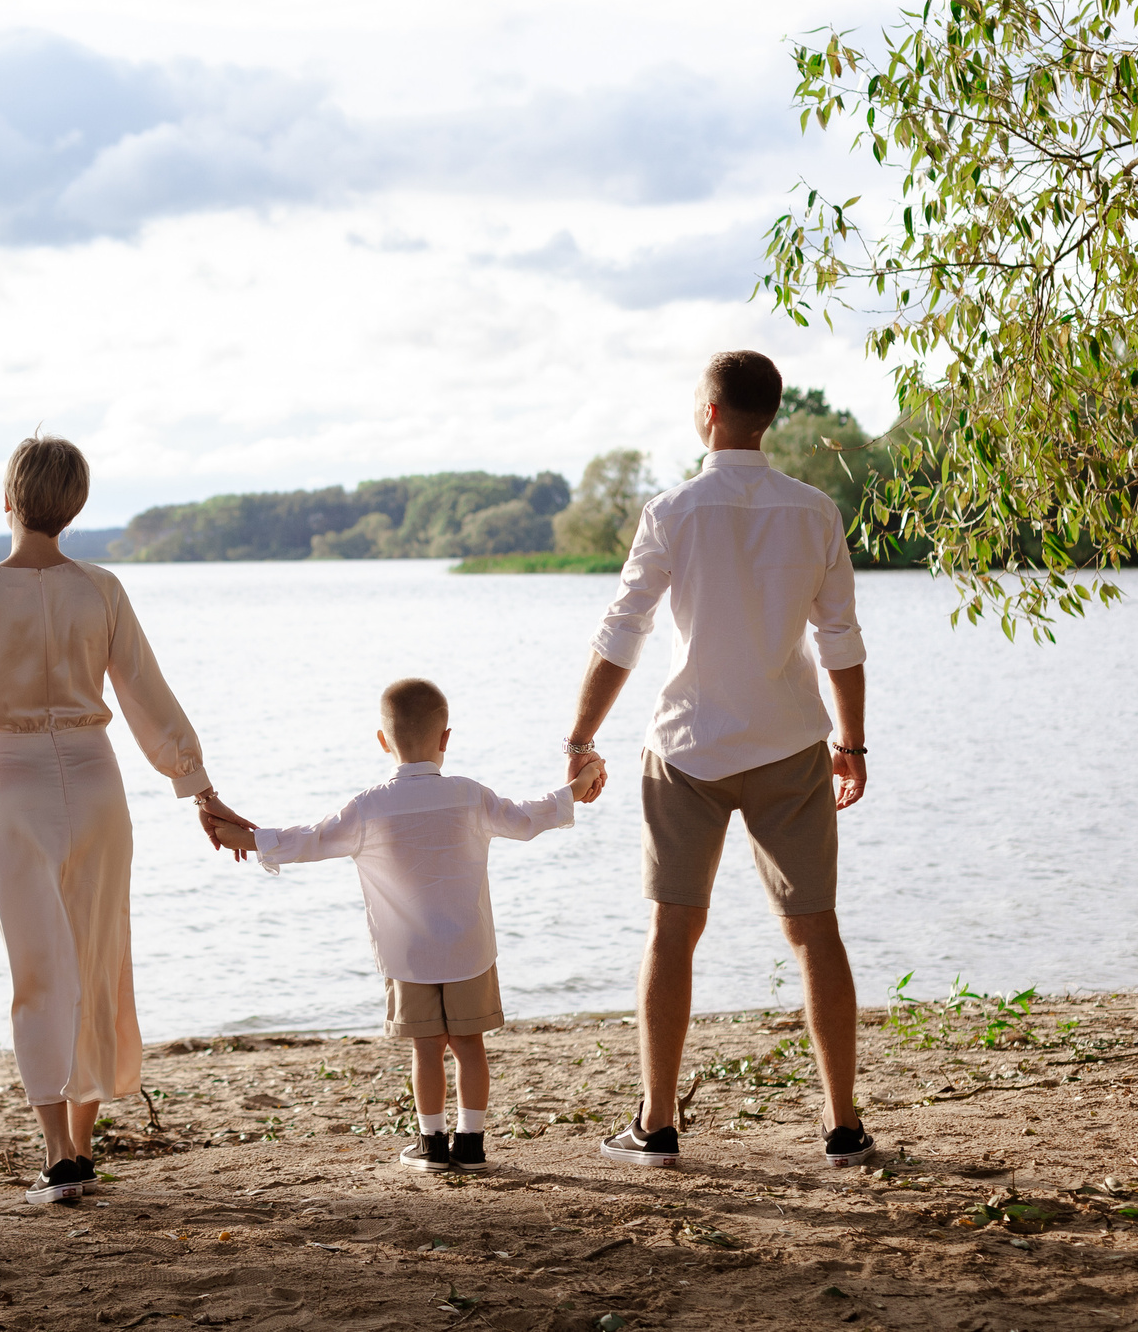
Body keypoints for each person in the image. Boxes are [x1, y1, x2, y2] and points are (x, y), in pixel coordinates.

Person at [0, 435, 257, 1205]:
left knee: (38, 970)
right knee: (95, 958)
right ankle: (81, 1148)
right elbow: (148, 696)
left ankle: (60, 1154)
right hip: (95, 781)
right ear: (75, 506)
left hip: (12, 783)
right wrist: (198, 787)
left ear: (8, 499)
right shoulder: (101, 588)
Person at [564, 350, 875, 1171]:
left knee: (672, 928)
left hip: (687, 748)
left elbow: (623, 630)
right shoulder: (815, 510)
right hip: (789, 745)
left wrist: (581, 736)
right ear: (769, 416)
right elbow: (840, 641)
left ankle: (657, 1123)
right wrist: (851, 744)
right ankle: (843, 1126)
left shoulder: (673, 511)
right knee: (815, 930)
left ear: (709, 412)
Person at [203, 677, 604, 1173]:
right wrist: (578, 785)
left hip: (408, 955)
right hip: (469, 949)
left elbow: (311, 838)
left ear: (383, 740)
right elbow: (528, 817)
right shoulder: (469, 795)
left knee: (426, 1049)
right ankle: (471, 1145)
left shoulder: (368, 807)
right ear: (445, 738)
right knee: (470, 1046)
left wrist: (248, 838)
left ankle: (431, 1144)